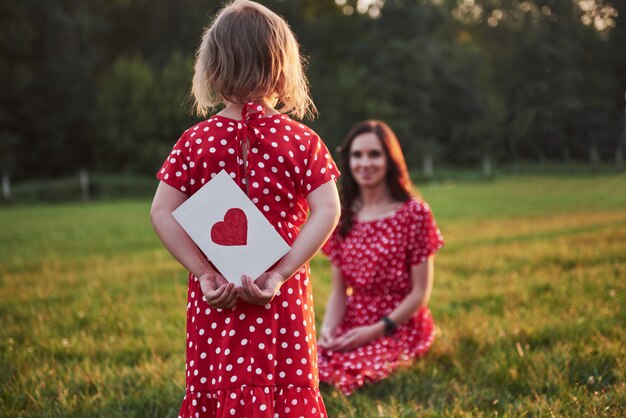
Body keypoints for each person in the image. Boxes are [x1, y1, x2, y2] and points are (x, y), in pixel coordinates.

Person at [150, 1, 340, 416]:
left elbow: (161, 212)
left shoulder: (194, 140)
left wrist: (204, 273)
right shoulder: (303, 140)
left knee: (220, 382)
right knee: (283, 384)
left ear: (212, 68)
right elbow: (328, 210)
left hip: (216, 291)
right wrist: (280, 272)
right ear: (283, 68)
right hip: (279, 292)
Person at [317, 120, 444, 396]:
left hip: (398, 323)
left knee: (350, 369)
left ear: (390, 159)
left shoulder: (414, 213)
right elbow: (339, 290)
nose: (365, 163)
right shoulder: (342, 217)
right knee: (311, 362)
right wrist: (328, 329)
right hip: (354, 318)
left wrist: (376, 329)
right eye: (357, 155)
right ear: (348, 160)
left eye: (374, 154)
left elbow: (420, 293)